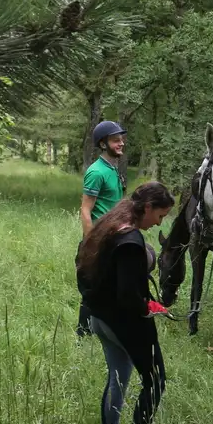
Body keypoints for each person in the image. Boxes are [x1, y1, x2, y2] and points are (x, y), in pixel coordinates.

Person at [77, 181, 176, 424]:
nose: (159, 224)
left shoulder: (110, 224)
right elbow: (129, 297)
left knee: (118, 377)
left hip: (100, 318)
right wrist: (151, 308)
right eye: (160, 216)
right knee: (155, 381)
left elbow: (85, 268)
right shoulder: (131, 242)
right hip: (124, 323)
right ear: (147, 208)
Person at [76, 120, 128, 337]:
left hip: (114, 238)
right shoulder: (97, 172)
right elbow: (85, 209)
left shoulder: (112, 169)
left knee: (111, 289)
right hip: (99, 241)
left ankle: (107, 332)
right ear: (103, 143)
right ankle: (83, 335)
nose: (121, 143)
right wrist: (91, 244)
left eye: (121, 139)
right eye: (116, 140)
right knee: (92, 291)